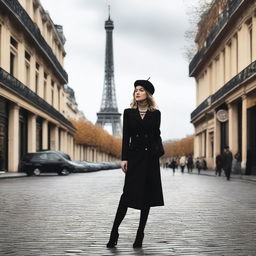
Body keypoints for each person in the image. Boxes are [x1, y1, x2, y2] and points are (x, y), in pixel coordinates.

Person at [106, 79, 164, 248]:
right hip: (135, 158)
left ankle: (140, 234)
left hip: (150, 160)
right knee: (126, 196)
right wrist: (124, 158)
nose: (137, 92)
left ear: (148, 94)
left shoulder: (156, 113)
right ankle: (114, 231)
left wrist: (158, 151)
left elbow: (156, 135)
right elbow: (126, 136)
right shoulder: (128, 112)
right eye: (135, 90)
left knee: (146, 197)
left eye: (141, 90)